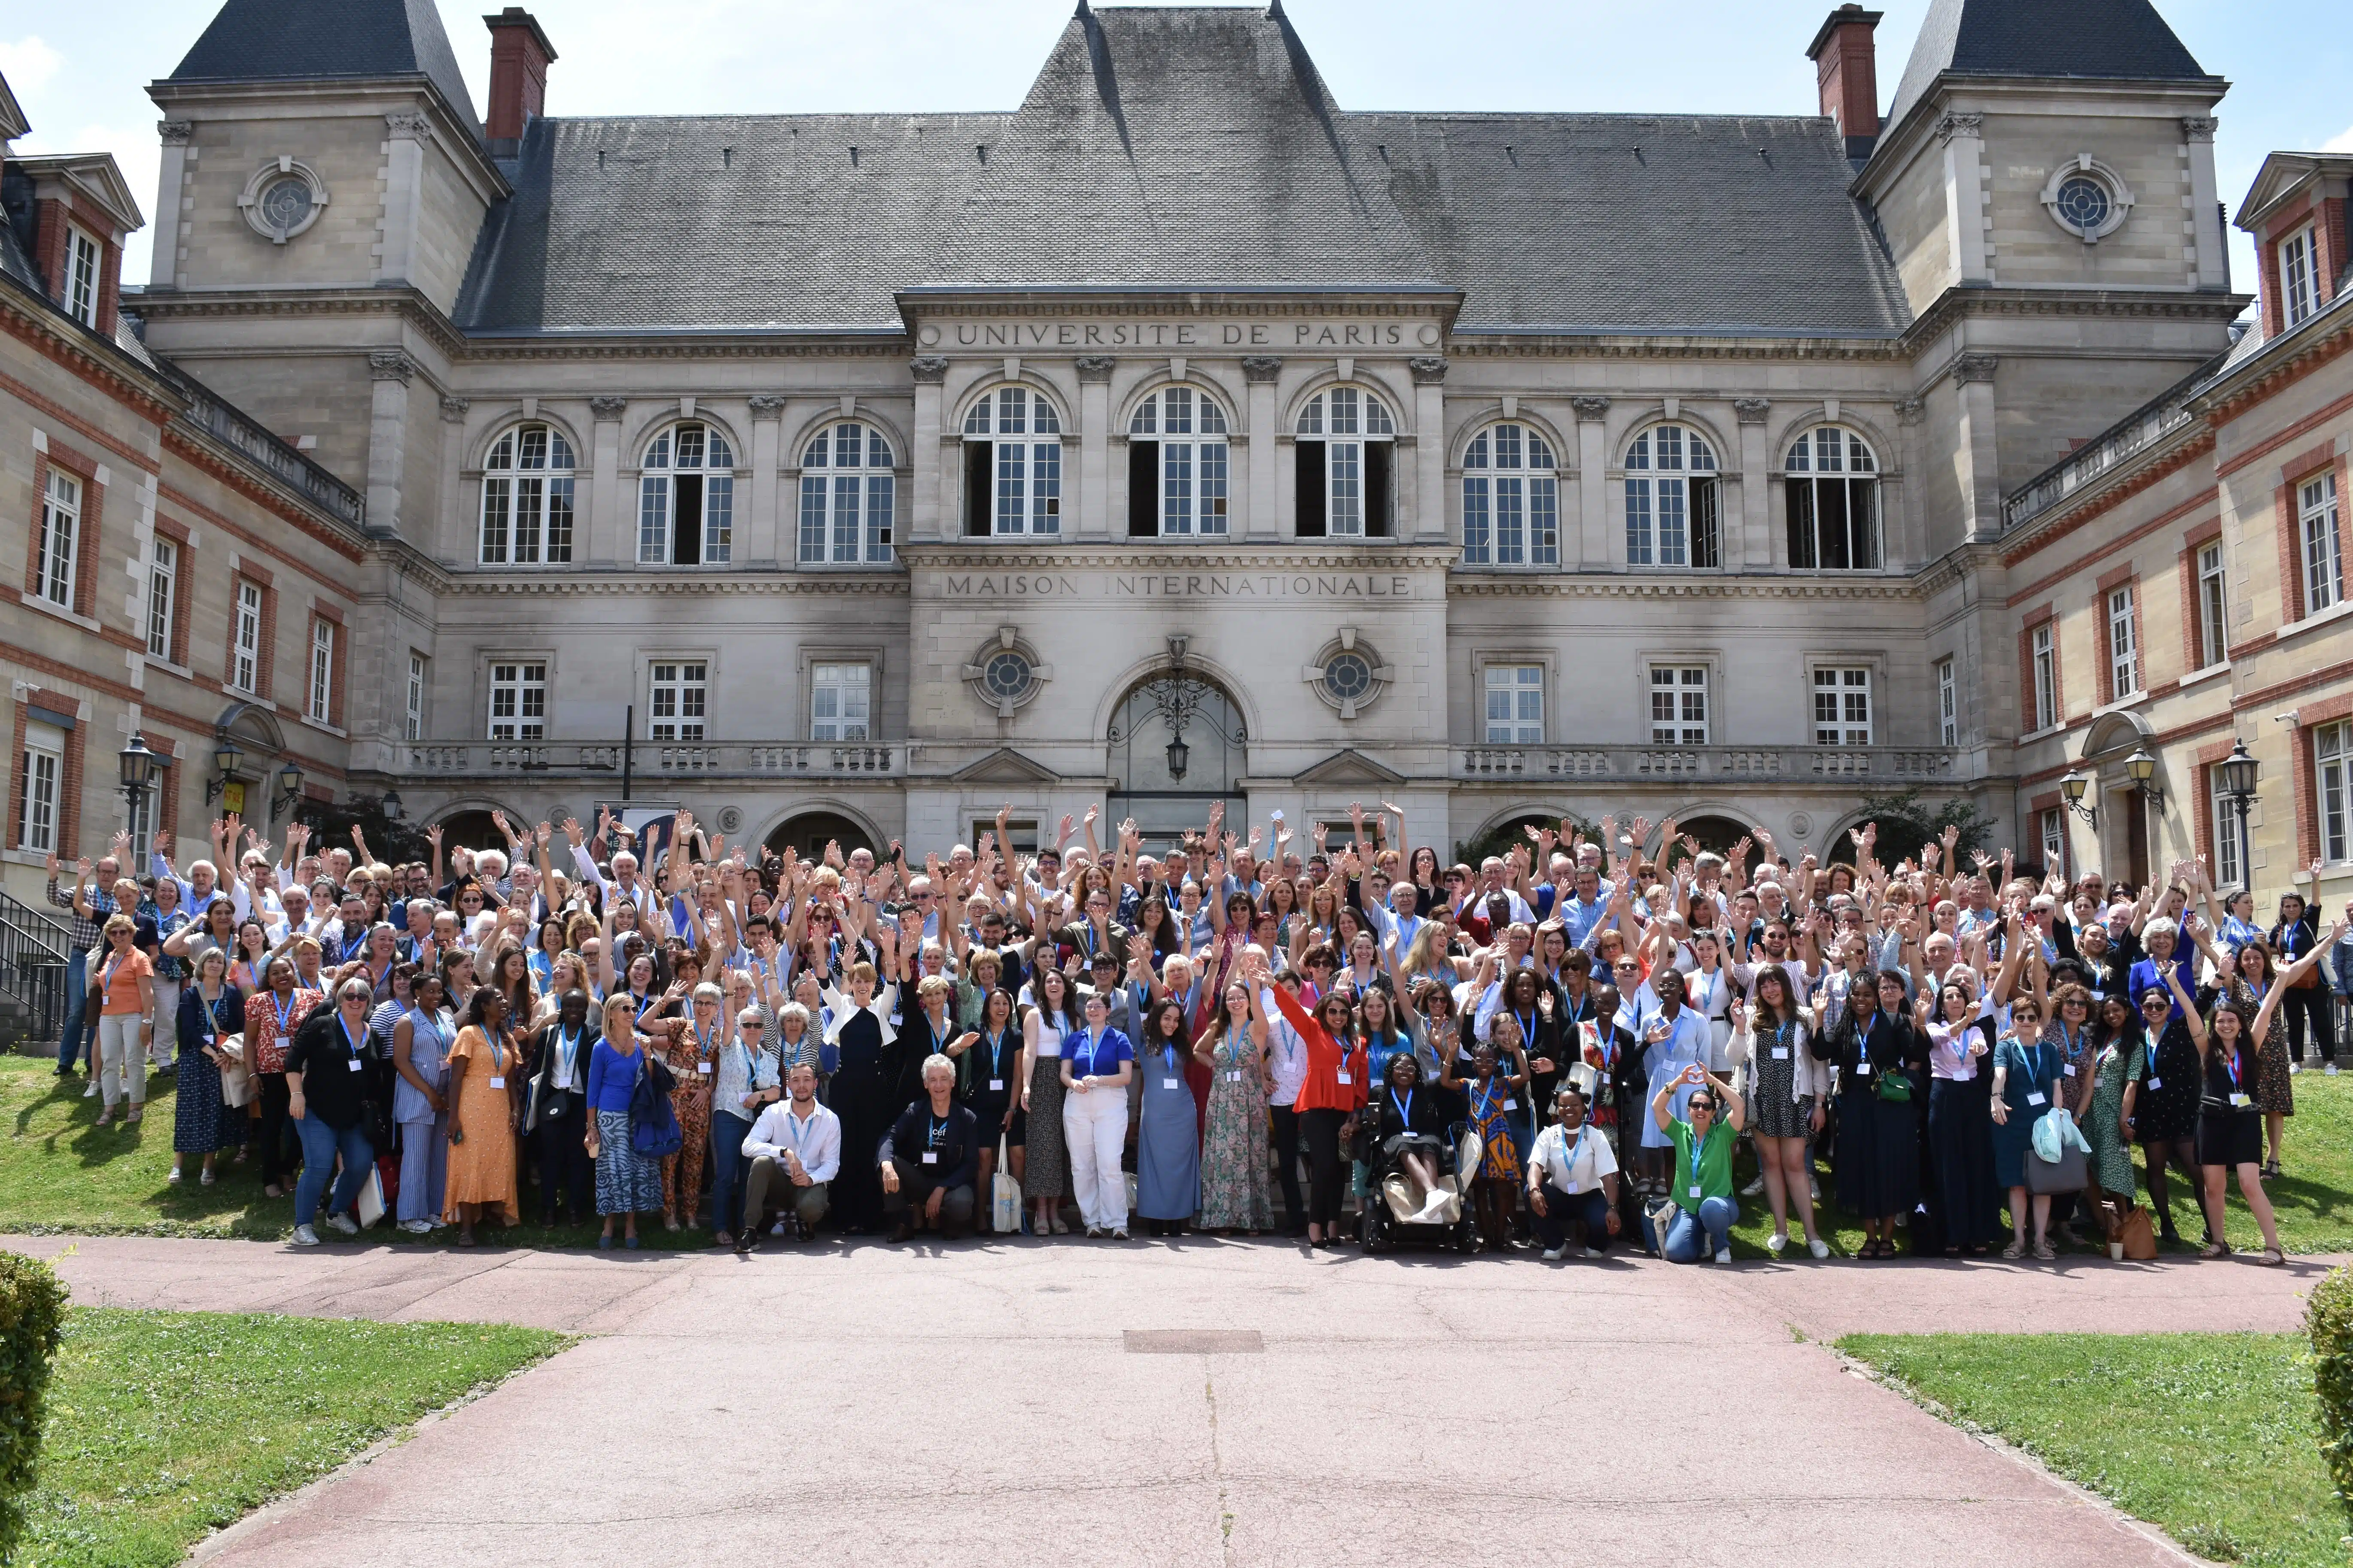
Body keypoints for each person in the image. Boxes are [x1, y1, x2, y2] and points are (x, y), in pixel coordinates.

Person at [1818, 972, 1925, 1259]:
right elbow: (1819, 1052)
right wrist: (1818, 1018)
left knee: (1888, 1170)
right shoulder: (1844, 1027)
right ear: (1849, 998)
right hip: (1856, 1108)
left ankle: (1887, 1238)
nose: (1861, 1000)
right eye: (1856, 995)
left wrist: (1921, 1022)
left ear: (1876, 997)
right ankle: (1869, 1238)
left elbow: (1917, 1050)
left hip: (1890, 1108)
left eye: (1867, 995)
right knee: (1862, 1170)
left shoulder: (1894, 1022)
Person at [1730, 974, 1829, 1258]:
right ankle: (1780, 1230)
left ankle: (1812, 1235)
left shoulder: (1807, 1017)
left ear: (1785, 986)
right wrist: (1738, 1029)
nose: (1770, 990)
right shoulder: (1751, 1017)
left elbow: (1819, 1064)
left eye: (1774, 984)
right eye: (1764, 986)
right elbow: (1734, 1059)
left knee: (1795, 1165)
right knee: (1771, 1165)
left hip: (1796, 1100)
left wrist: (1820, 1103)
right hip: (1761, 1100)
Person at [283, 977, 381, 1246]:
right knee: (319, 1165)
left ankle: (335, 1213)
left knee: (361, 1164)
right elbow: (292, 1060)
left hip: (353, 1115)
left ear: (368, 1002)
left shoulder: (372, 1032)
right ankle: (301, 1226)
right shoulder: (322, 1025)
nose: (355, 1001)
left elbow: (375, 1075)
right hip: (316, 1109)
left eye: (362, 997)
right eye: (350, 996)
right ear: (340, 999)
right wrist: (297, 1094)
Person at [444, 988, 522, 1245]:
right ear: (483, 1006)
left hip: (499, 1112)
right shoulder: (468, 1034)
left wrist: (516, 1108)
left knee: (498, 1162)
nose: (503, 1004)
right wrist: (453, 1117)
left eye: (503, 1000)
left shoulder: (506, 1038)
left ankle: (493, 1216)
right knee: (470, 1164)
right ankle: (466, 1229)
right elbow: (455, 1080)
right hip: (472, 1109)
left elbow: (511, 1080)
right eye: (497, 1000)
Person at [1195, 976, 1273, 1234]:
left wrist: (1252, 982)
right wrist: (1213, 1066)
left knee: (1251, 1157)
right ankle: (1222, 1217)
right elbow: (1198, 1050)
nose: (1236, 1002)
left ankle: (1252, 1219)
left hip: (1249, 1099)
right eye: (1231, 998)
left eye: (1241, 997)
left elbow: (1258, 1009)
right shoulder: (1218, 1028)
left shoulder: (1256, 1026)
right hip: (1221, 1099)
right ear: (1225, 1003)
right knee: (1223, 1158)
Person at [585, 993, 664, 1249]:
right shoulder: (600, 1047)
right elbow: (592, 1090)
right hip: (610, 1116)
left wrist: (649, 1055)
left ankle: (630, 1225)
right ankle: (609, 1224)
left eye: (633, 1009)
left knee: (635, 1170)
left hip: (637, 1116)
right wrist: (591, 1127)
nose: (631, 1013)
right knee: (613, 1171)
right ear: (612, 1014)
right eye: (625, 1009)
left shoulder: (641, 1042)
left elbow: (651, 1081)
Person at [1647, 1062, 1746, 1263]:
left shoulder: (1724, 1133)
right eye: (1696, 1105)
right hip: (1688, 1206)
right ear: (1689, 1110)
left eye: (1707, 1106)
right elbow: (1657, 1107)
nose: (1701, 1109)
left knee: (1710, 1209)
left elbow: (1739, 1105)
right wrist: (1678, 1082)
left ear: (1713, 1112)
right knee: (1677, 1253)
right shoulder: (1679, 1131)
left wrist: (1713, 1080)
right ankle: (1702, 1237)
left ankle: (1721, 1247)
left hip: (1719, 1204)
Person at [1989, 993, 2062, 1260]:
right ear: (2013, 1020)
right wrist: (1996, 1097)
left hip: (2043, 1125)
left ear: (2038, 1021)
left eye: (2032, 1017)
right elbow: (2000, 1074)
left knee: (2042, 1184)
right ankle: (2019, 1240)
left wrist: (2057, 1116)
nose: (2026, 1021)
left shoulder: (2050, 1050)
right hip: (2011, 1123)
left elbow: (2057, 1086)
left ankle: (2041, 1241)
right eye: (2021, 1017)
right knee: (2016, 1185)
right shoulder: (2005, 1047)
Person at [879, 1054, 982, 1242]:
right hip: (921, 1180)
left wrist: (943, 1188)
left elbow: (970, 1165)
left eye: (944, 1079)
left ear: (953, 1082)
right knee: (888, 1163)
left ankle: (949, 1223)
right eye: (933, 1080)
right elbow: (890, 1137)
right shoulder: (915, 1111)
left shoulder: (967, 1118)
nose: (939, 1085)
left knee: (962, 1203)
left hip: (952, 1184)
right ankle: (902, 1225)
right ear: (925, 1084)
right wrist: (886, 1165)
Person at [738, 1061, 840, 1248]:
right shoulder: (774, 1112)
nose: (802, 1086)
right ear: (789, 1085)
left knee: (811, 1207)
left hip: (810, 1184)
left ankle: (805, 1223)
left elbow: (832, 1164)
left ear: (815, 1084)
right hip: (780, 1184)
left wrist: (811, 1179)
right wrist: (783, 1152)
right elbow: (748, 1146)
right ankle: (750, 1230)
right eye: (796, 1080)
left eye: (807, 1080)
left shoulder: (830, 1119)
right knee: (762, 1162)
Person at [1060, 988, 1135, 1240]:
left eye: (1098, 1007)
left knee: (1109, 1163)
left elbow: (1126, 1077)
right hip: (1078, 1101)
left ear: (1108, 1011)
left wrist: (1100, 1080)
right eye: (1090, 1007)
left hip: (1110, 1101)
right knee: (1081, 1165)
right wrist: (1073, 1084)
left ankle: (1117, 1222)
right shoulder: (1074, 1039)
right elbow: (1065, 1073)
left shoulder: (1120, 1039)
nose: (1093, 1010)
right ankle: (1092, 1220)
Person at [246, 954, 321, 1199]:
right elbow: (250, 1040)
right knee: (270, 1127)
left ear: (294, 971)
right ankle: (269, 1177)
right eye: (275, 973)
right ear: (268, 979)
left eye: (285, 970)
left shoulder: (312, 998)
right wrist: (252, 1073)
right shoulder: (259, 1002)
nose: (282, 976)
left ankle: (288, 1170)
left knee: (298, 1127)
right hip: (270, 1074)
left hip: (303, 1073)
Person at [170, 946, 246, 1184]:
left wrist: (226, 1053)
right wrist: (211, 1053)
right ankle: (178, 1166)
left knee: (215, 1112)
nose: (215, 965)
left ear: (224, 968)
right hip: (196, 1058)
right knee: (187, 1112)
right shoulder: (190, 995)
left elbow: (238, 1027)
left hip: (223, 1059)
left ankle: (208, 1167)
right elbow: (189, 1029)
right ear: (202, 966)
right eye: (210, 961)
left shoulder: (232, 994)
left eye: (219, 962)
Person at [708, 1004, 782, 1247]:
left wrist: (758, 1097)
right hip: (728, 1115)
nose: (752, 1029)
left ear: (763, 1030)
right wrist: (729, 993)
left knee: (749, 1177)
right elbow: (727, 1023)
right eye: (746, 1025)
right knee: (727, 1174)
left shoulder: (769, 1057)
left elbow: (776, 1090)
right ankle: (720, 1227)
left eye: (757, 1025)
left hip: (754, 1122)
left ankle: (745, 1227)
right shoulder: (730, 1047)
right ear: (739, 1028)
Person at [525, 988, 597, 1228]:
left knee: (578, 1157)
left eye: (579, 1007)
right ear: (562, 1009)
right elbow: (537, 1069)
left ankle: (575, 1208)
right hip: (553, 1101)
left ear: (586, 1011)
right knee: (551, 1157)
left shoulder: (593, 1036)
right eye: (569, 1007)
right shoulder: (549, 1033)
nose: (574, 1011)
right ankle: (548, 1210)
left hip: (580, 1102)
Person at [1525, 1082, 1621, 1259]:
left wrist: (1612, 1208)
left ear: (1584, 1107)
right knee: (1529, 1192)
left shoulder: (1596, 1136)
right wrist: (1535, 1190)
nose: (1569, 1109)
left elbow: (1608, 1175)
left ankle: (1594, 1245)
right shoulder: (1548, 1135)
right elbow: (1536, 1166)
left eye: (1574, 1105)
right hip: (1560, 1195)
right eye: (1563, 1105)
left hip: (1589, 1197)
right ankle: (1556, 1244)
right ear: (1557, 1107)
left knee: (1601, 1230)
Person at [1133, 997, 1202, 1236]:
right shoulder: (1143, 1040)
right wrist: (1131, 981)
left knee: (1180, 1166)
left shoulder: (1182, 1040)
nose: (1172, 1024)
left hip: (1183, 1109)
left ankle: (1176, 1220)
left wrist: (1199, 976)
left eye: (1176, 1020)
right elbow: (1133, 1013)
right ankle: (1155, 1218)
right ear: (1156, 1018)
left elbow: (1191, 1011)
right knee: (1154, 1164)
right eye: (1166, 1018)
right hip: (1155, 1111)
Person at [390, 972, 453, 1234]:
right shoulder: (407, 1022)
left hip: (443, 1097)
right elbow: (401, 1062)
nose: (436, 996)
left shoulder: (447, 1019)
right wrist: (429, 1092)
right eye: (430, 992)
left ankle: (434, 1210)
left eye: (439, 992)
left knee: (439, 1158)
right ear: (417, 993)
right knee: (416, 1158)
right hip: (418, 1097)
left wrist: (448, 1093)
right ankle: (408, 1216)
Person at [1019, 965, 1079, 1236]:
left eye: (1059, 981)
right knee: (1043, 1145)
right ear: (1042, 988)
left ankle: (1056, 1211)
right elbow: (1030, 1052)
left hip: (1067, 1079)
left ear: (1066, 987)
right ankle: (1041, 1212)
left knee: (1063, 1145)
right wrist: (1027, 1085)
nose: (1053, 984)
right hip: (1042, 1079)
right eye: (1049, 981)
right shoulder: (1034, 1015)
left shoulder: (1073, 1017)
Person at [91, 913, 155, 1127]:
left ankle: (135, 1107)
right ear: (108, 936)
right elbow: (108, 980)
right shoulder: (110, 957)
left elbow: (148, 994)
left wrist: (147, 1023)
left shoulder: (140, 958)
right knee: (109, 1061)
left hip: (133, 1016)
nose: (118, 936)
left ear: (131, 934)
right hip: (108, 1016)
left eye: (123, 932)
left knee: (134, 1061)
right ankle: (110, 1107)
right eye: (113, 932)